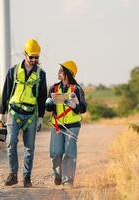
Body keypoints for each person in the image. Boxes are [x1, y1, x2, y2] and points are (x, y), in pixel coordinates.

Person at [0, 38, 47, 187]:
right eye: (31, 56)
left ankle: (27, 177)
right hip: (14, 112)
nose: (34, 60)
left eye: (36, 57)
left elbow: (42, 96)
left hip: (31, 114)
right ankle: (13, 175)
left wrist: (40, 117)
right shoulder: (13, 71)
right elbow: (6, 92)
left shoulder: (41, 74)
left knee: (29, 147)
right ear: (25, 54)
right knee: (10, 143)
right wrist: (2, 113)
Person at [45, 60, 87, 188]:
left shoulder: (78, 89)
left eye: (62, 70)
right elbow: (49, 108)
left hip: (73, 125)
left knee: (69, 152)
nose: (59, 72)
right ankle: (58, 174)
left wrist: (75, 106)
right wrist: (48, 105)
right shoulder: (54, 88)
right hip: (57, 125)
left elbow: (83, 108)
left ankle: (68, 180)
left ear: (68, 73)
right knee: (55, 152)